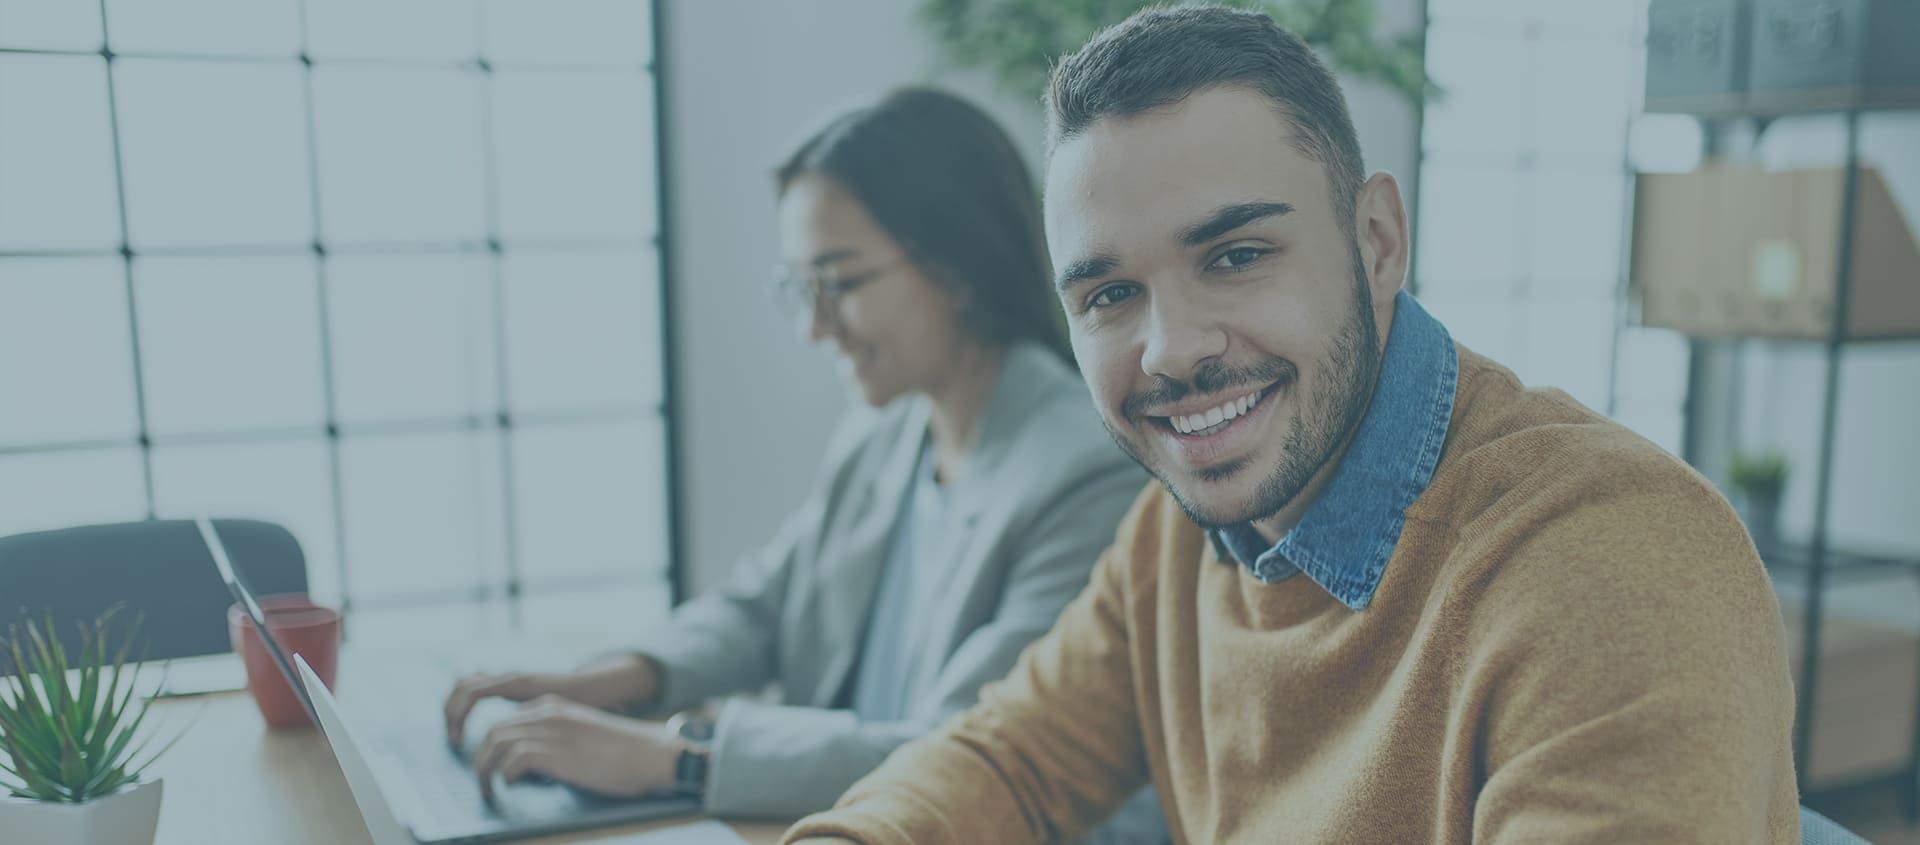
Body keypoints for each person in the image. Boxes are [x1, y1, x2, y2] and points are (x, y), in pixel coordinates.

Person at [783, 7, 1799, 844]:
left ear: (1377, 241)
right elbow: (1009, 758)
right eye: (1109, 295)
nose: (1170, 350)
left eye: (1235, 255)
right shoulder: (1173, 538)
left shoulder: (1606, 561)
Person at [440, 87, 1162, 839]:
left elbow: (972, 756)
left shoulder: (1085, 470)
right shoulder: (885, 432)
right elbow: (768, 604)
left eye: (840, 283)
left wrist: (677, 755)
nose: (816, 327)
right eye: (799, 287)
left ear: (957, 264)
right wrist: (606, 678)